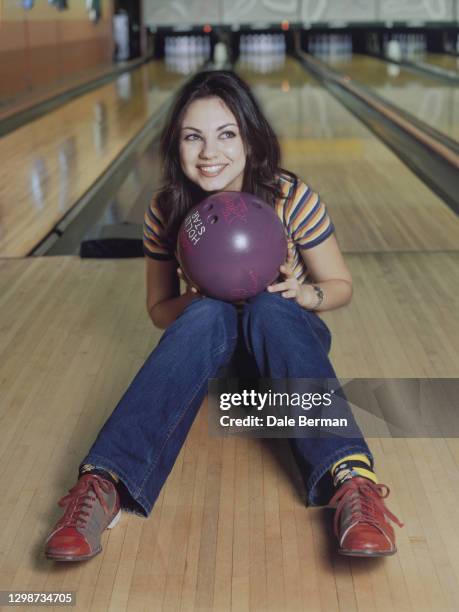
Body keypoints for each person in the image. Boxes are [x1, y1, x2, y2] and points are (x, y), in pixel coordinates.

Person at [44, 70, 403, 562]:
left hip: (284, 350)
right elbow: (159, 311)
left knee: (268, 307)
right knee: (207, 314)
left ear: (251, 140)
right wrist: (197, 299)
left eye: (225, 135)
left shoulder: (290, 197)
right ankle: (102, 484)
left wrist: (305, 293)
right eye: (194, 137)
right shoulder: (165, 211)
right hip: (207, 357)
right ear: (177, 146)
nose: (209, 152)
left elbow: (341, 286)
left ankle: (353, 482)